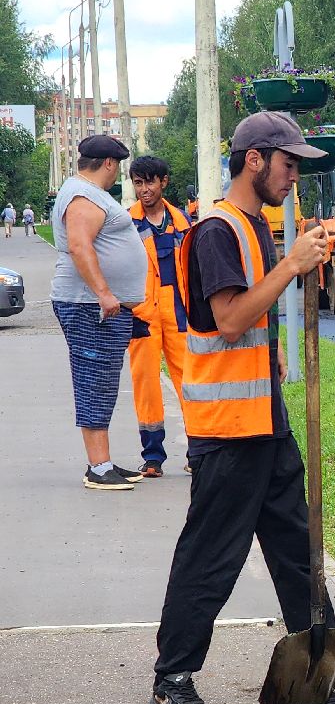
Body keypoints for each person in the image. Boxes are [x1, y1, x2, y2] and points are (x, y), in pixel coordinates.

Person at [148, 111, 335, 704]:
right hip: (228, 429)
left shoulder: (253, 224)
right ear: (255, 159)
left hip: (265, 419)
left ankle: (324, 668)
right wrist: (292, 266)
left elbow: (253, 318)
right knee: (211, 556)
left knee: (296, 547)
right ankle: (171, 679)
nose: (293, 178)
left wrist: (274, 343)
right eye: (289, 164)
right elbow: (229, 318)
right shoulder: (216, 230)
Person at [51, 135, 149, 491]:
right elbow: (80, 246)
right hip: (89, 305)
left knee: (103, 383)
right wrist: (105, 294)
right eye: (118, 166)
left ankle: (103, 460)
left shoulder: (89, 193)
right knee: (93, 381)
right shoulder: (83, 196)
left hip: (100, 307)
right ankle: (98, 467)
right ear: (109, 163)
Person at [127, 155, 191, 477]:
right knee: (146, 383)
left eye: (149, 182)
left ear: (163, 182)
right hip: (143, 314)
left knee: (190, 382)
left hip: (179, 311)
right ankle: (153, 456)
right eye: (138, 183)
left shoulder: (182, 222)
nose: (144, 189)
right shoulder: (126, 224)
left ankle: (198, 452)